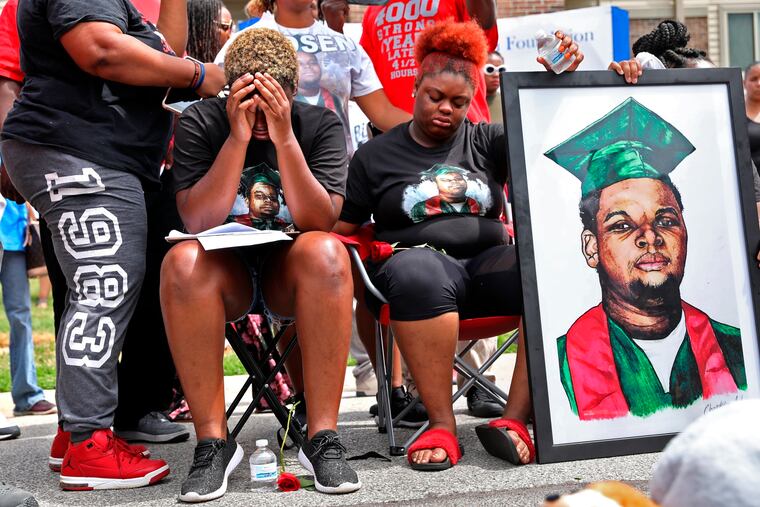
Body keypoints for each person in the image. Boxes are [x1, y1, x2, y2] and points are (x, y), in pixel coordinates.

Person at [334, 19, 582, 470]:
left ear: (473, 102)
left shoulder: (488, 141)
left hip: (487, 265)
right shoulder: (375, 155)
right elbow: (345, 226)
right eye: (435, 97)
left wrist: (555, 84)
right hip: (417, 271)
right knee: (418, 272)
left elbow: (549, 143)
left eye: (459, 102)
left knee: (541, 265)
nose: (445, 108)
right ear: (414, 89)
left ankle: (515, 420)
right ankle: (441, 424)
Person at [0, 0, 225, 490]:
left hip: (91, 150)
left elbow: (157, 55)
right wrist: (197, 74)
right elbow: (100, 50)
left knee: (100, 287)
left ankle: (75, 432)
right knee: (103, 288)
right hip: (78, 148)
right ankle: (88, 446)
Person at [162, 28, 360, 500]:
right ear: (231, 91)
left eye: (272, 98)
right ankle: (213, 442)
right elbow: (197, 218)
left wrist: (286, 137)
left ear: (292, 92)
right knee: (179, 262)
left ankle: (322, 437)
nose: (260, 112)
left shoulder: (319, 126)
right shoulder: (201, 123)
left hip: (288, 271)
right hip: (221, 271)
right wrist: (235, 138)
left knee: (328, 252)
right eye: (248, 97)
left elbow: (319, 219)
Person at [545, 97, 745, 420]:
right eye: (623, 225)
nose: (650, 237)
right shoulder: (556, 367)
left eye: (665, 221)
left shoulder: (739, 349)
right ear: (591, 247)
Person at [214, 0, 410, 157]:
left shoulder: (347, 46)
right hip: (268, 178)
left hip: (334, 178)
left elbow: (383, 113)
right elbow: (217, 104)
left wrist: (434, 125)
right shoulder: (243, 42)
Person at [744, 62, 760, 171]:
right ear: (744, 83)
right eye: (754, 79)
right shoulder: (735, 114)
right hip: (750, 184)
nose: (759, 83)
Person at [484, 51, 505, 124]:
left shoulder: (508, 102)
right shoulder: (467, 104)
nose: (496, 74)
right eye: (490, 69)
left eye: (501, 70)